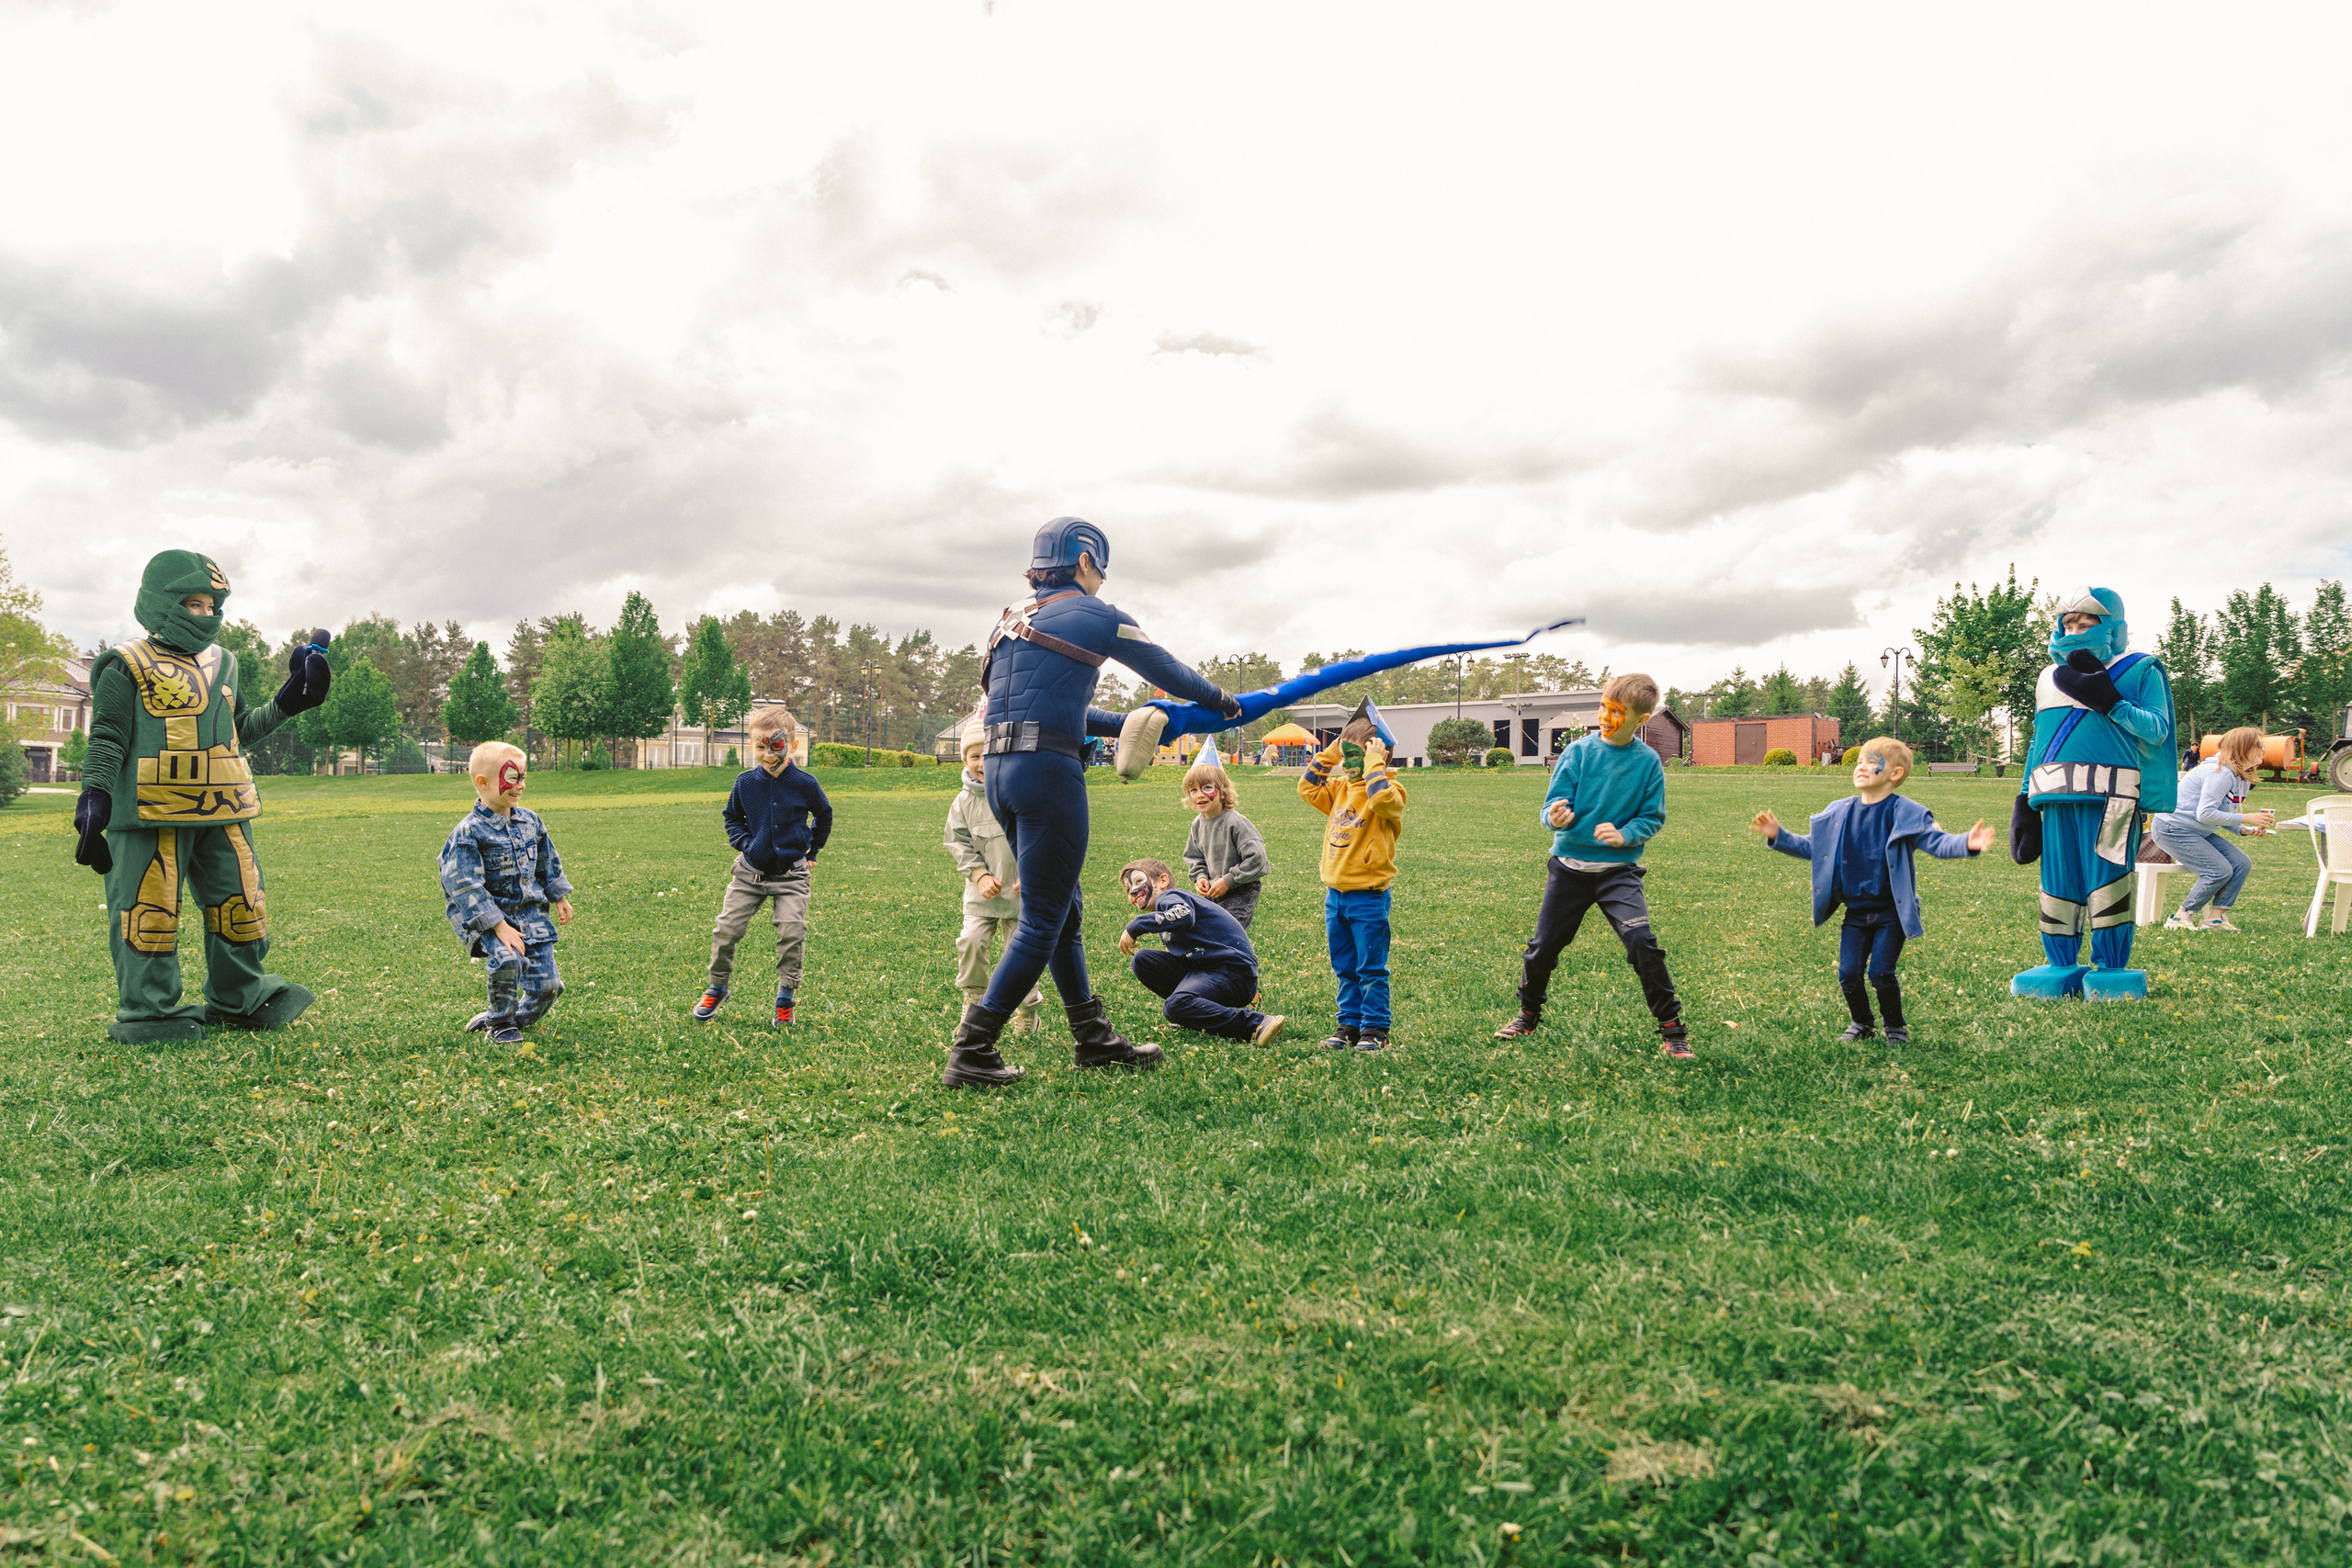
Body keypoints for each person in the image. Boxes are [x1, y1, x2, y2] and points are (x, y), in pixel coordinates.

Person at [944, 516, 1245, 1088]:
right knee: (1042, 921)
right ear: (1085, 560)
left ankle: (1093, 1037)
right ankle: (973, 1048)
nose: (1102, 579)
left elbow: (1052, 708)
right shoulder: (1096, 615)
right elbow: (1169, 670)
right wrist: (1223, 701)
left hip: (1004, 773)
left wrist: (1130, 723)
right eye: (1100, 567)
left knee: (1063, 912)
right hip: (1048, 773)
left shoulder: (1010, 622)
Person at [70, 550, 332, 1042]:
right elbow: (107, 737)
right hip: (150, 810)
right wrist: (94, 802)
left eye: (214, 605)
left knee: (242, 904)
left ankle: (241, 998)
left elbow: (235, 731)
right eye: (194, 603)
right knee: (149, 910)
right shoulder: (124, 664)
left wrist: (289, 702)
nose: (207, 615)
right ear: (160, 601)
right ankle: (150, 1011)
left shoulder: (226, 662)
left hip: (225, 806)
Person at [1493, 673, 1690, 1057]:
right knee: (1542, 947)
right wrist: (1557, 817)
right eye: (1603, 707)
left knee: (1642, 944)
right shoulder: (1578, 752)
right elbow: (1550, 807)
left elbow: (1652, 817)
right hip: (1568, 869)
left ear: (1642, 720)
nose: (1605, 716)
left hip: (1618, 873)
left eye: (1617, 712)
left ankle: (1672, 1030)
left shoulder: (1648, 763)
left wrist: (1625, 835)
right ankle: (1527, 1015)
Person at [1748, 736, 1995, 1043]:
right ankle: (1862, 1024)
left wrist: (1966, 843)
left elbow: (1936, 841)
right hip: (1855, 913)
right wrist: (1779, 835)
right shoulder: (1840, 813)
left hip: (1891, 913)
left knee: (1880, 972)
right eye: (1860, 760)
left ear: (1895, 774)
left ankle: (1895, 1027)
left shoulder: (1904, 813)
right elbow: (1814, 847)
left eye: (1872, 762)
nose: (1861, 766)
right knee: (1849, 974)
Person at [2010, 589, 2177, 999]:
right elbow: (2038, 741)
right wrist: (2023, 798)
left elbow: (2157, 729)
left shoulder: (2139, 668)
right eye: (2067, 623)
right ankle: (2060, 963)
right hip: (2053, 792)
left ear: (2113, 629)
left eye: (2085, 623)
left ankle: (2111, 967)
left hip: (2114, 794)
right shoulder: (2047, 676)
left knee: (2108, 876)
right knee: (2058, 880)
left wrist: (2111, 701)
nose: (2074, 630)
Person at [695, 706, 831, 1026]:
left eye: (776, 746)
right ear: (751, 745)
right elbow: (732, 817)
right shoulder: (745, 783)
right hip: (748, 874)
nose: (768, 754)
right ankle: (717, 987)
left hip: (792, 876)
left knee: (791, 932)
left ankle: (786, 997)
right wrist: (745, 844)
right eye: (759, 746)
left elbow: (824, 815)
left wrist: (813, 852)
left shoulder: (805, 784)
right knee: (726, 930)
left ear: (792, 746)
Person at [440, 740, 574, 1045]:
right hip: (489, 918)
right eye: (513, 778)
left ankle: (512, 1018)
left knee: (549, 986)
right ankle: (500, 1022)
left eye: (523, 777)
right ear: (483, 782)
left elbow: (546, 860)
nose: (521, 786)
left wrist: (559, 895)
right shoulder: (469, 832)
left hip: (530, 914)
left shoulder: (530, 821)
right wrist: (499, 926)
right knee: (508, 961)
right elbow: (463, 884)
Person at [1300, 705, 1408, 1051]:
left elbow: (1380, 800)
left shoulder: (1391, 791)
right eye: (1343, 757)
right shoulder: (1340, 789)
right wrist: (1333, 752)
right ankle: (1348, 1025)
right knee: (1344, 965)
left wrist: (1376, 762)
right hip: (1336, 896)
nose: (1346, 765)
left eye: (1352, 757)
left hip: (1369, 897)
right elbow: (1307, 787)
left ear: (1378, 756)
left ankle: (1376, 1029)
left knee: (1370, 967)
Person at [1116, 859, 1285, 1044]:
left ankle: (1256, 1024)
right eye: (1127, 889)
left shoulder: (1171, 897)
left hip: (1233, 972)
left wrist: (1136, 925)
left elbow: (1185, 915)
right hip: (1209, 971)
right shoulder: (1165, 915)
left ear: (1163, 881)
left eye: (1139, 882)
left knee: (1175, 1006)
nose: (1133, 891)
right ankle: (1193, 1015)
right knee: (1143, 960)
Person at [943, 722, 1043, 1032]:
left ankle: (1026, 1011)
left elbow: (1040, 835)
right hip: (982, 893)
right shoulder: (963, 802)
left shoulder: (1023, 792)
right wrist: (979, 874)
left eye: (988, 755)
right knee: (971, 942)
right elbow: (957, 842)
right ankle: (973, 1004)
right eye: (975, 756)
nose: (982, 763)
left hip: (1022, 893)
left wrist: (1032, 873)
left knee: (1022, 954)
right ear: (965, 761)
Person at [2151, 727, 2273, 931]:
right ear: (2243, 748)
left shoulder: (2239, 776)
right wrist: (2247, 817)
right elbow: (2205, 814)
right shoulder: (2220, 774)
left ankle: (2214, 919)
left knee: (2241, 863)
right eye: (2259, 745)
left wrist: (2243, 829)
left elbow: (2222, 812)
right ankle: (2181, 917)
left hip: (2197, 830)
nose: (2264, 749)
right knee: (2218, 870)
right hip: (2172, 828)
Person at [1181, 761, 1270, 931]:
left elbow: (1257, 858)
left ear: (1222, 793)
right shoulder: (1197, 825)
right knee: (1203, 930)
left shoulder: (1235, 823)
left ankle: (1238, 957)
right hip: (1214, 889)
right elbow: (1194, 857)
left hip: (1242, 889)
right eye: (1193, 790)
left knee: (1228, 933)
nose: (1199, 794)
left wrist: (1228, 881)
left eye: (1207, 788)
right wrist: (1200, 877)